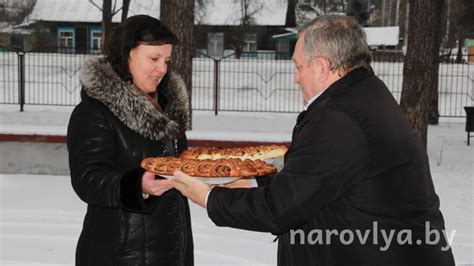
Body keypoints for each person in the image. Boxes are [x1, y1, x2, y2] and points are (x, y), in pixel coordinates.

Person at [171, 15, 455, 266]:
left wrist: (209, 198)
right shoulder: (363, 95)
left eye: (298, 67)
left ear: (321, 67)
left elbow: (281, 207)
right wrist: (256, 180)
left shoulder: (339, 119)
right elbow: (318, 175)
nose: (296, 79)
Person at [67, 15, 193, 265]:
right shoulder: (94, 112)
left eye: (167, 60)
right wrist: (136, 185)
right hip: (120, 254)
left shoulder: (167, 109)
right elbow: (88, 179)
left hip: (171, 250)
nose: (163, 69)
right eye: (154, 59)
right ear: (126, 54)